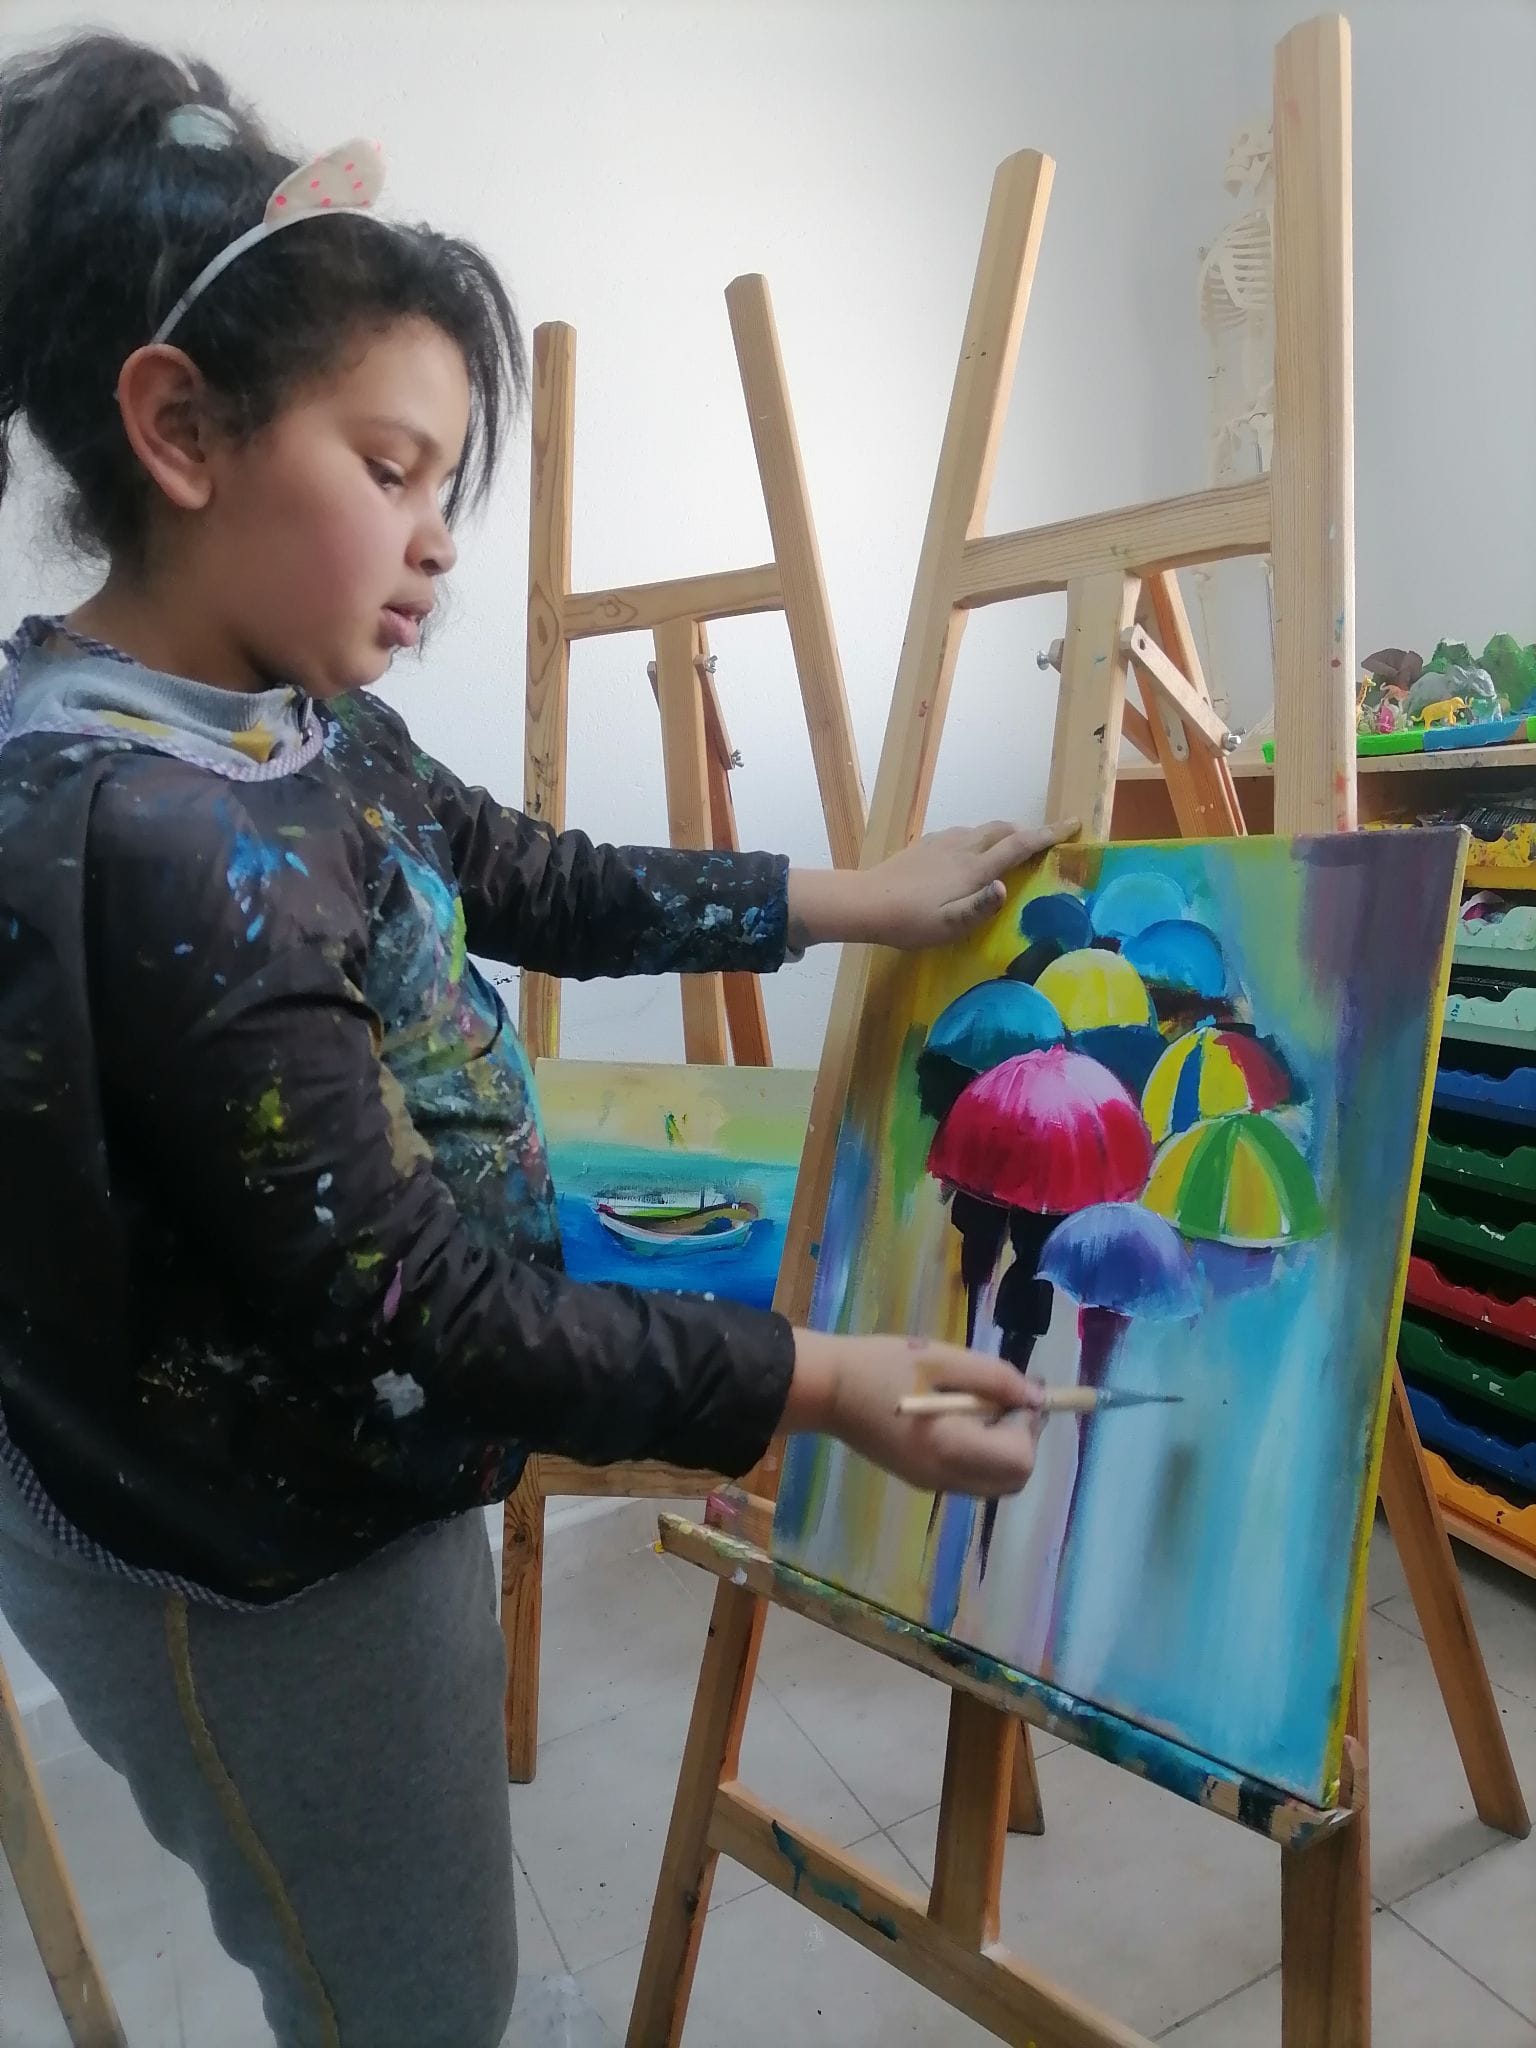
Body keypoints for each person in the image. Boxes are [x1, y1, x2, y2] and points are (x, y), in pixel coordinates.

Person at [0, 33, 1066, 2048]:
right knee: (405, 1996)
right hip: (262, 1559)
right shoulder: (147, 837)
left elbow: (532, 876)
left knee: (420, 1965)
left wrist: (848, 895)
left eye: (448, 485)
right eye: (390, 468)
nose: (439, 541)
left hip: (339, 1486)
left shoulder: (285, 711)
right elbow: (419, 1307)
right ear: (180, 428)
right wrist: (819, 1379)